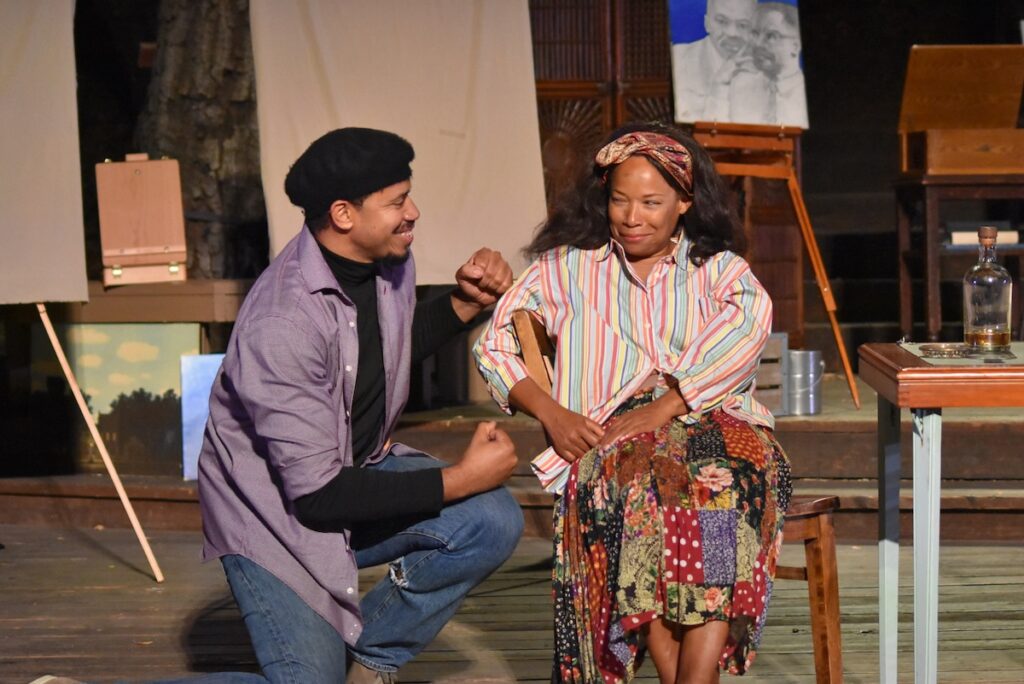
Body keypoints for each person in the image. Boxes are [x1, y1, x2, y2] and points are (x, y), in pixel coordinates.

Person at [196, 127, 525, 683]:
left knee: (490, 520)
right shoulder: (283, 322)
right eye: (397, 202)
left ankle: (370, 663)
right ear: (344, 215)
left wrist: (467, 304)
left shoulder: (388, 263)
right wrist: (462, 478)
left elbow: (383, 351)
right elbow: (320, 497)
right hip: (279, 520)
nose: (413, 212)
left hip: (354, 471)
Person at [474, 122, 791, 683]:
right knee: (642, 493)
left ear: (685, 204)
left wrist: (666, 406)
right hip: (610, 435)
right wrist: (552, 413)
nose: (632, 216)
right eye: (620, 200)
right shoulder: (567, 269)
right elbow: (495, 345)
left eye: (651, 202)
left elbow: (748, 328)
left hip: (713, 419)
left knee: (724, 487)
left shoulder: (716, 270)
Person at [671, 0, 757, 123]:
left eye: (742, 25)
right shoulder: (679, 59)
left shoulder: (769, 68)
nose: (732, 33)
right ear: (707, 23)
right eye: (722, 21)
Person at [728, 2, 808, 128]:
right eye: (755, 34)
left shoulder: (807, 97)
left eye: (771, 36)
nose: (758, 44)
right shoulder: (740, 87)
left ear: (795, 46)